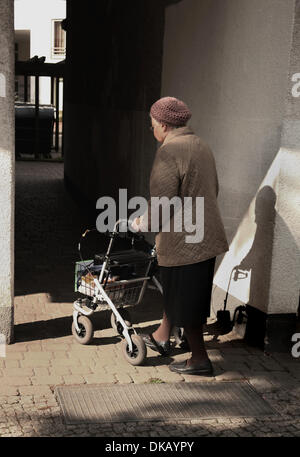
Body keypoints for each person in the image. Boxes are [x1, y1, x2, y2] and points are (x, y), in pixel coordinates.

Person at [131, 96, 228, 376]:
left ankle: (199, 358)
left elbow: (162, 203)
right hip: (206, 234)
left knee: (186, 299)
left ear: (163, 124)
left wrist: (141, 224)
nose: (152, 130)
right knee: (180, 292)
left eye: (152, 125)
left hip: (185, 241)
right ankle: (163, 335)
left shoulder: (169, 152)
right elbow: (214, 188)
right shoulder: (201, 145)